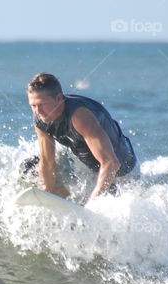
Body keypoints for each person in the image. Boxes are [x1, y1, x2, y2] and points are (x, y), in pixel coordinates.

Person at [22, 72, 137, 201]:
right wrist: (48, 195)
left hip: (121, 170)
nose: (37, 111)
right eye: (33, 106)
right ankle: (64, 200)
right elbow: (47, 162)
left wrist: (93, 203)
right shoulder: (41, 119)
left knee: (107, 195)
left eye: (42, 104)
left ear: (59, 98)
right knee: (29, 168)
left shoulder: (80, 116)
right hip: (87, 162)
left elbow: (111, 163)